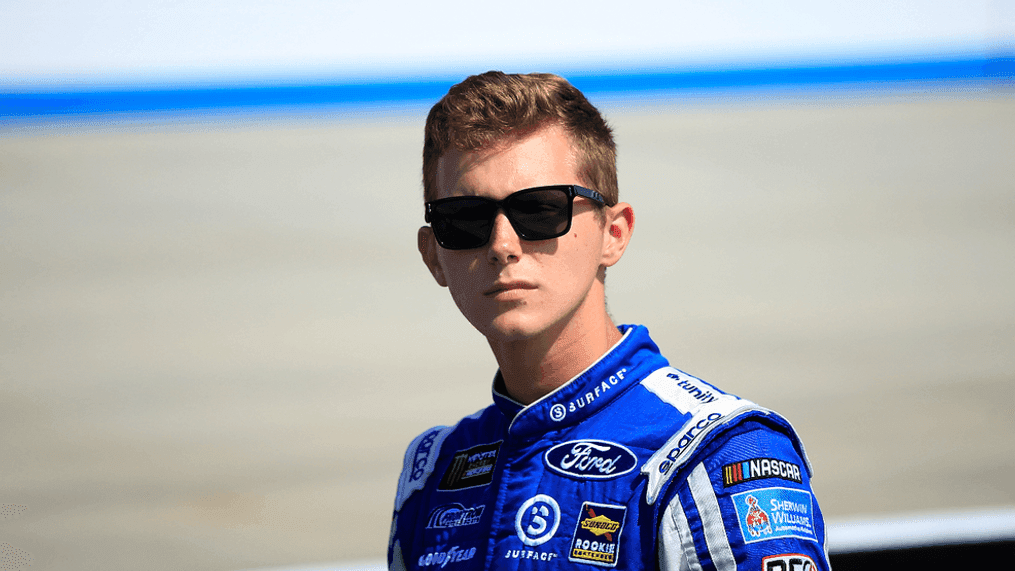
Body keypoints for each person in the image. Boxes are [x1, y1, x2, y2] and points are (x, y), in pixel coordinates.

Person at [388, 71, 830, 571]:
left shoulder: (718, 452)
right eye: (464, 218)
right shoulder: (430, 471)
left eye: (539, 210)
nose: (502, 246)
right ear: (433, 256)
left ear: (613, 233)